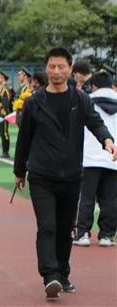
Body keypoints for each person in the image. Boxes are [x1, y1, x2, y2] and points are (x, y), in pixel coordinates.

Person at [13, 47, 117, 301]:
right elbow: (23, 139)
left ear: (70, 69)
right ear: (46, 68)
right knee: (47, 226)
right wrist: (20, 171)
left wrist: (107, 140)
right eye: (52, 67)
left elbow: (95, 122)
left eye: (61, 67)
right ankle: (50, 276)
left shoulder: (80, 100)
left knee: (64, 229)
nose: (56, 72)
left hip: (71, 176)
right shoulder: (34, 102)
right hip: (41, 176)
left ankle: (63, 273)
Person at [73, 71, 117, 247]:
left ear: (94, 86)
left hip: (89, 156)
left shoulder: (86, 100)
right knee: (110, 199)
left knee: (86, 197)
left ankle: (83, 233)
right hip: (113, 156)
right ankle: (106, 235)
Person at [0, 72, 12, 158]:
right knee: (1, 133)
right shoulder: (1, 88)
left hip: (2, 114)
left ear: (3, 78)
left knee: (4, 133)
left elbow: (5, 103)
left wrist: (3, 115)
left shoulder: (5, 89)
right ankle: (4, 150)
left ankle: (6, 151)